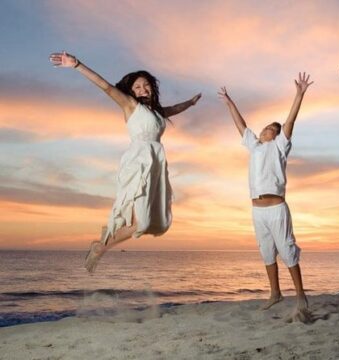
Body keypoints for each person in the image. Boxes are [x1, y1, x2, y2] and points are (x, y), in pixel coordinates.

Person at [49, 51, 201, 272]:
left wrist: (191, 102)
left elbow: (174, 109)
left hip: (155, 164)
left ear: (152, 87)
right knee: (142, 223)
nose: (143, 89)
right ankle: (100, 247)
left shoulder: (157, 112)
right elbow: (106, 87)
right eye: (137, 87)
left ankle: (104, 240)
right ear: (131, 91)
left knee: (152, 221)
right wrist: (77, 65)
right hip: (138, 161)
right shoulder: (130, 105)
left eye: (146, 85)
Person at [218, 73, 312, 321]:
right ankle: (275, 293)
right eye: (264, 128)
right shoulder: (254, 146)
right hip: (257, 210)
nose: (264, 131)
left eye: (270, 129)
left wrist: (299, 95)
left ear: (276, 135)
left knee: (288, 251)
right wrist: (229, 102)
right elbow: (241, 125)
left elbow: (289, 122)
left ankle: (301, 295)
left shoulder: (280, 146)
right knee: (267, 252)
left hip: (276, 208)